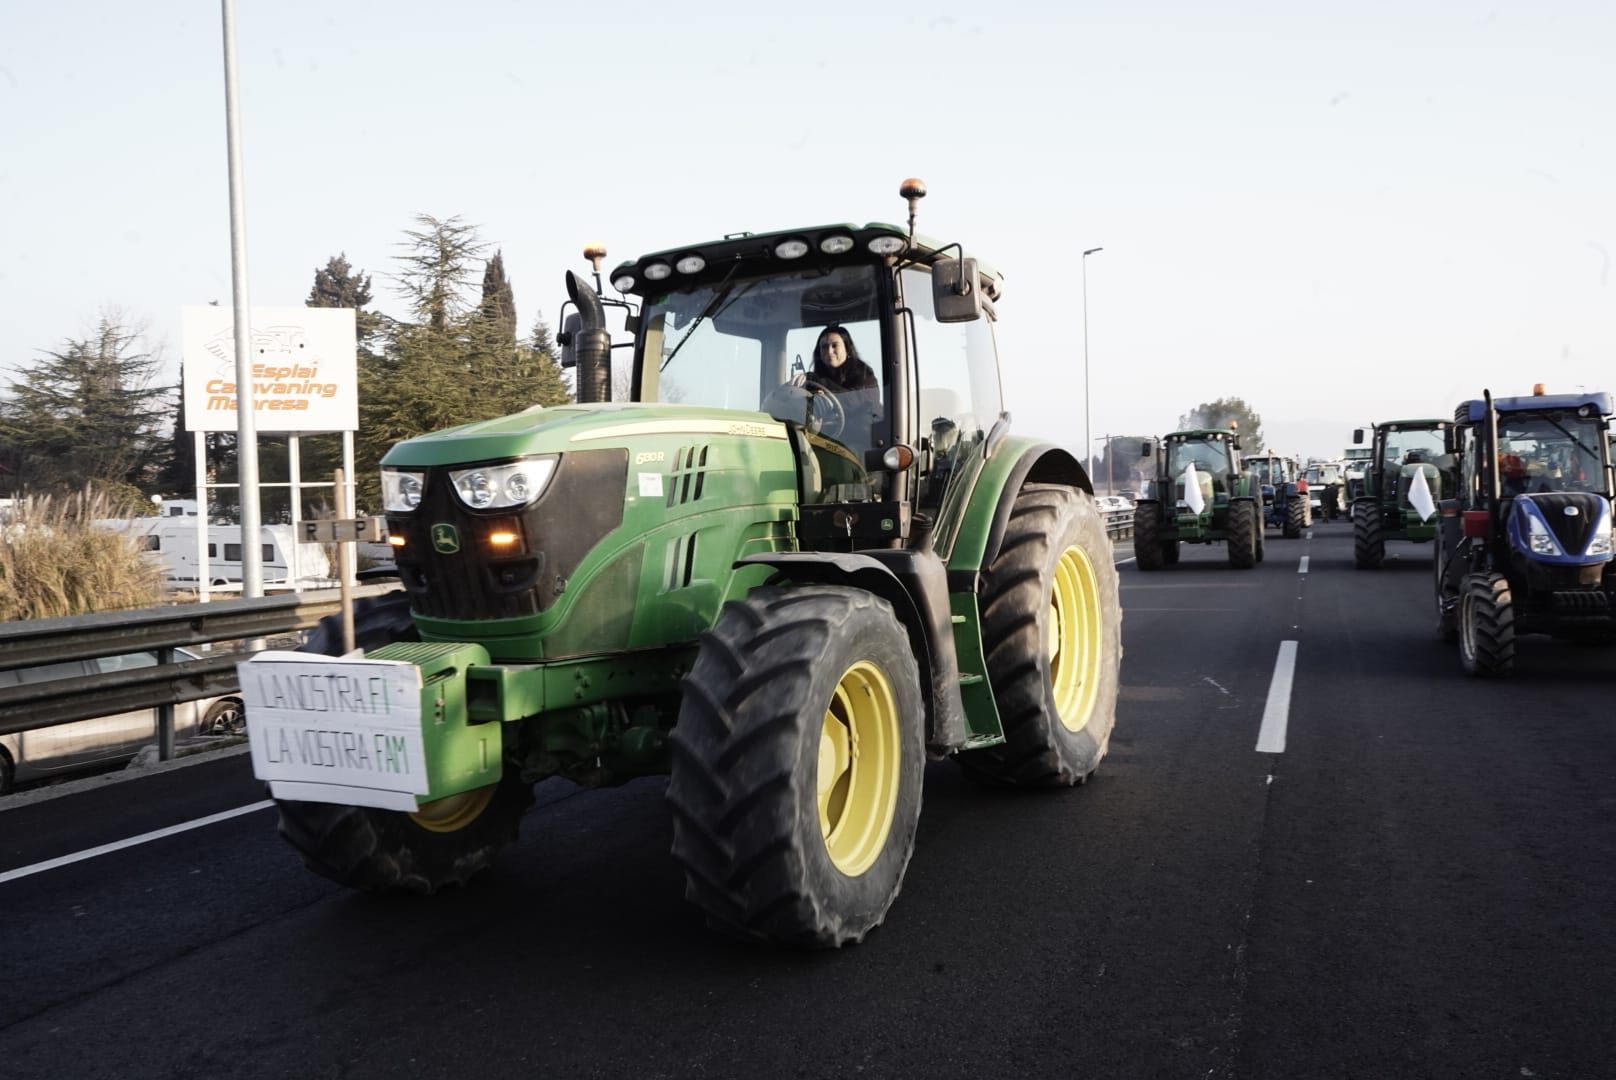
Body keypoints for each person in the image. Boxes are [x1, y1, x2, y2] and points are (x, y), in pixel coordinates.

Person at [793, 326, 878, 394]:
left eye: (835, 345)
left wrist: (815, 380)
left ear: (847, 349)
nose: (829, 351)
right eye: (824, 347)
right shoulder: (818, 378)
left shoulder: (864, 375)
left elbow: (852, 402)